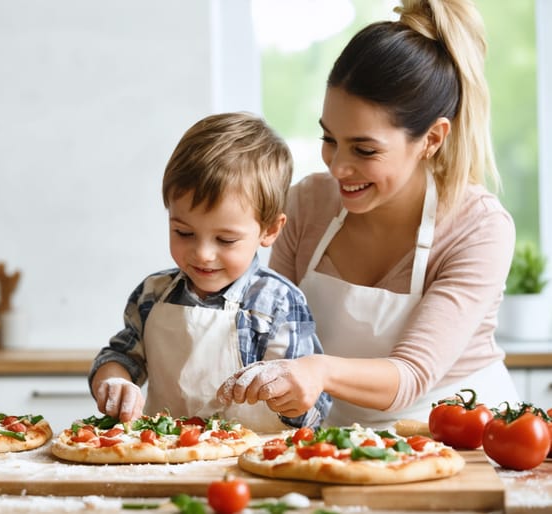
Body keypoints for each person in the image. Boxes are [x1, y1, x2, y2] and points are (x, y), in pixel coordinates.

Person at [223, 0, 520, 428]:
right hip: (341, 439)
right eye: (330, 139)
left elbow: (412, 375)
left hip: (462, 439)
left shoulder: (478, 228)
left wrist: (320, 369)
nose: (337, 166)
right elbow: (273, 332)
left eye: (364, 149)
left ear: (432, 139)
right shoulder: (307, 204)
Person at [89, 112, 332, 432]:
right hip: (164, 457)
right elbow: (121, 357)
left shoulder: (278, 303)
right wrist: (115, 382)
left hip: (258, 464)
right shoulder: (153, 294)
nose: (202, 254)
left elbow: (314, 410)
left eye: (225, 239)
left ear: (270, 230)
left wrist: (292, 400)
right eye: (184, 233)